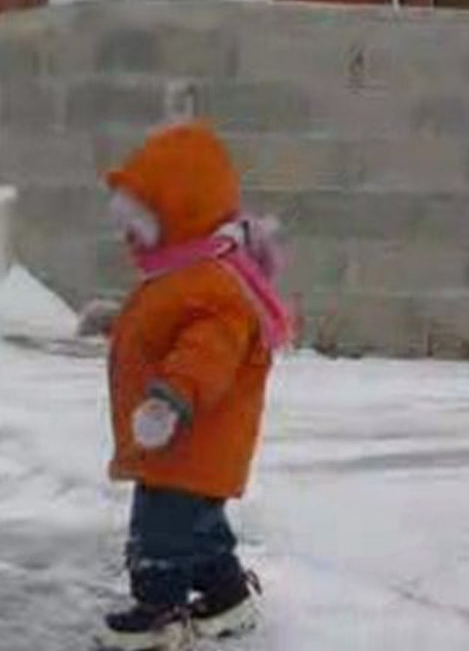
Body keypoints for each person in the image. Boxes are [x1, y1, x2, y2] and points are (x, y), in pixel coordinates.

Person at [98, 122, 292, 651]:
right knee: (199, 529)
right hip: (188, 446)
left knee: (159, 533)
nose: (129, 237)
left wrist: (169, 402)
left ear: (179, 213)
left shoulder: (211, 285)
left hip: (187, 438)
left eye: (140, 223)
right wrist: (120, 326)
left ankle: (158, 614)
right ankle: (228, 600)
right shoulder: (185, 274)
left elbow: (206, 356)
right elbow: (167, 332)